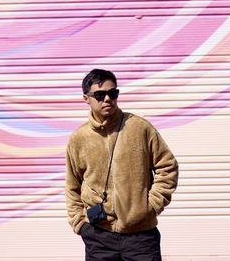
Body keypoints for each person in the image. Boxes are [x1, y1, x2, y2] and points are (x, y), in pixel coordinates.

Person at [65, 68, 179, 261]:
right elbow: (72, 185)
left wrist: (149, 207)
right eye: (100, 95)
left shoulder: (139, 128)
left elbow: (167, 167)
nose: (107, 99)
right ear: (86, 98)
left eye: (113, 93)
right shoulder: (79, 138)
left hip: (141, 236)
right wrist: (80, 223)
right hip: (98, 235)